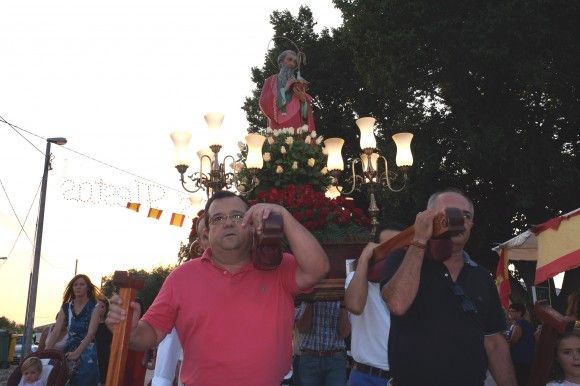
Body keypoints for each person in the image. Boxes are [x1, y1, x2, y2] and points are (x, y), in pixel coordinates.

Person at [106, 191, 329, 386]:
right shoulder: (182, 277)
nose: (229, 223)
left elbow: (318, 268)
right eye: (218, 218)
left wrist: (283, 215)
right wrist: (129, 329)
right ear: (207, 232)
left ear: (253, 226)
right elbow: (151, 333)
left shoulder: (277, 266)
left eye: (238, 216)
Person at [381, 189, 517, 386]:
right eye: (449, 214)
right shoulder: (402, 259)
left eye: (466, 216)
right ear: (428, 219)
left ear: (471, 225)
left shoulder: (481, 276)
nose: (458, 221)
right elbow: (397, 303)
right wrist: (419, 240)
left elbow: (494, 342)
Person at [152, 211, 209, 386]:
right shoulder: (184, 280)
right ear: (199, 245)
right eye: (206, 235)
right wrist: (162, 380)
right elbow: (168, 336)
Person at [344, 222, 403, 385]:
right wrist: (364, 259)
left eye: (398, 248)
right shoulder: (358, 279)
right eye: (386, 248)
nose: (391, 255)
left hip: (405, 375)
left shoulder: (415, 281)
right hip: (366, 377)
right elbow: (355, 306)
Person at [46, 274, 101, 386]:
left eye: (82, 284)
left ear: (88, 287)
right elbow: (55, 332)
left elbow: (91, 334)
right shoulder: (66, 307)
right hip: (69, 352)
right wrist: (46, 352)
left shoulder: (95, 306)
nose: (78, 287)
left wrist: (77, 353)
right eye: (75, 285)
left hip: (87, 353)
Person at [295, 300, 351, 386]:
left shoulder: (343, 295)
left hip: (336, 360)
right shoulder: (308, 294)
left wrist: (343, 306)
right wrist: (311, 301)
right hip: (310, 358)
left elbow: (345, 333)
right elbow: (302, 329)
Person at [259, 49, 316, 132]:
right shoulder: (270, 81)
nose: (292, 64)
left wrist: (303, 101)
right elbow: (264, 103)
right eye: (289, 60)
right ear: (281, 61)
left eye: (295, 62)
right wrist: (285, 88)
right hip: (276, 126)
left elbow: (305, 115)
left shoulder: (298, 84)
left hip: (295, 124)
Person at [507, 303, 535, 386]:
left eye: (512, 311)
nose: (510, 313)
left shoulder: (519, 324)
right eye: (509, 311)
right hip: (527, 359)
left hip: (520, 359)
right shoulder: (528, 323)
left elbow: (514, 340)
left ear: (519, 313)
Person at [95, 298, 112, 385]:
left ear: (106, 309)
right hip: (93, 355)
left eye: (102, 306)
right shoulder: (90, 325)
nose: (99, 309)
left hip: (106, 355)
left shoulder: (109, 324)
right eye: (97, 306)